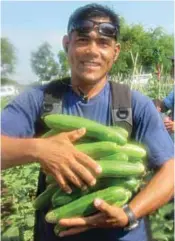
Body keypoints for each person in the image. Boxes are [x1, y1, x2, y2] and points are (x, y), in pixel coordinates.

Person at [1, 3, 174, 241]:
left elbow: (171, 170)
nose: (93, 51)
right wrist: (39, 149)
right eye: (83, 40)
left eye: (103, 43)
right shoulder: (39, 101)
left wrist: (128, 213)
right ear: (66, 44)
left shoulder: (134, 104)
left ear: (116, 52)